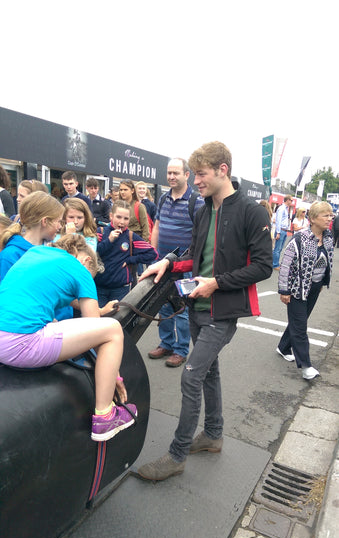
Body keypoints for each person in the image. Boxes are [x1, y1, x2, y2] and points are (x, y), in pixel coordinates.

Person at [137, 141, 272, 481]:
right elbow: (194, 258)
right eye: (195, 175)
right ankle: (213, 434)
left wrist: (217, 283)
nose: (195, 181)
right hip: (195, 304)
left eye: (200, 174)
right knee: (209, 372)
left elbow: (263, 266)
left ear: (222, 170)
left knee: (191, 375)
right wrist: (165, 263)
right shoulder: (201, 210)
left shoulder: (251, 211)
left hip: (223, 309)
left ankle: (177, 454)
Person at [0, 234, 137, 442]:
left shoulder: (36, 252)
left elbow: (62, 296)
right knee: (113, 329)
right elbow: (96, 329)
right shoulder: (81, 271)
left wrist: (99, 308)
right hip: (21, 344)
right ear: (86, 261)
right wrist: (115, 378)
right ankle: (105, 416)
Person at [148, 157, 204, 368]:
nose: (171, 177)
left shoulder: (197, 201)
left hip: (185, 269)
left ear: (187, 175)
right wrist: (155, 256)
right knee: (163, 305)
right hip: (163, 265)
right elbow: (157, 227)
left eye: (176, 173)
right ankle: (166, 343)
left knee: (182, 309)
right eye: (169, 173)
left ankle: (181, 350)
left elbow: (200, 236)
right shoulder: (162, 199)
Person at [276, 201, 333, 380]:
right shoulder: (300, 238)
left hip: (315, 287)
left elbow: (327, 261)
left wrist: (323, 281)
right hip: (297, 289)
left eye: (331, 215)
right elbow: (285, 265)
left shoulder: (329, 237)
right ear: (313, 218)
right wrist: (284, 290)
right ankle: (306, 366)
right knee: (300, 326)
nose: (330, 219)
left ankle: (283, 347)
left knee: (298, 321)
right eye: (326, 215)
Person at [95, 200, 158, 304]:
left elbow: (153, 254)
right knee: (99, 318)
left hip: (120, 288)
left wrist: (131, 259)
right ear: (111, 216)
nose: (122, 222)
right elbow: (94, 253)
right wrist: (109, 241)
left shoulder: (130, 237)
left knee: (118, 319)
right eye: (118, 217)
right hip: (99, 286)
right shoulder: (101, 232)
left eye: (126, 218)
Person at [0, 191, 64, 281]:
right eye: (58, 221)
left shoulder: (54, 249)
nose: (60, 226)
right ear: (45, 221)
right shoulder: (10, 255)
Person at [272, 195, 293, 269]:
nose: (291, 202)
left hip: (284, 230)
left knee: (280, 248)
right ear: (287, 200)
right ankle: (275, 264)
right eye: (291, 200)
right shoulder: (281, 208)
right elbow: (278, 220)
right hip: (281, 230)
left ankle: (275, 262)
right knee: (277, 249)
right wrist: (278, 232)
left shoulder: (285, 209)